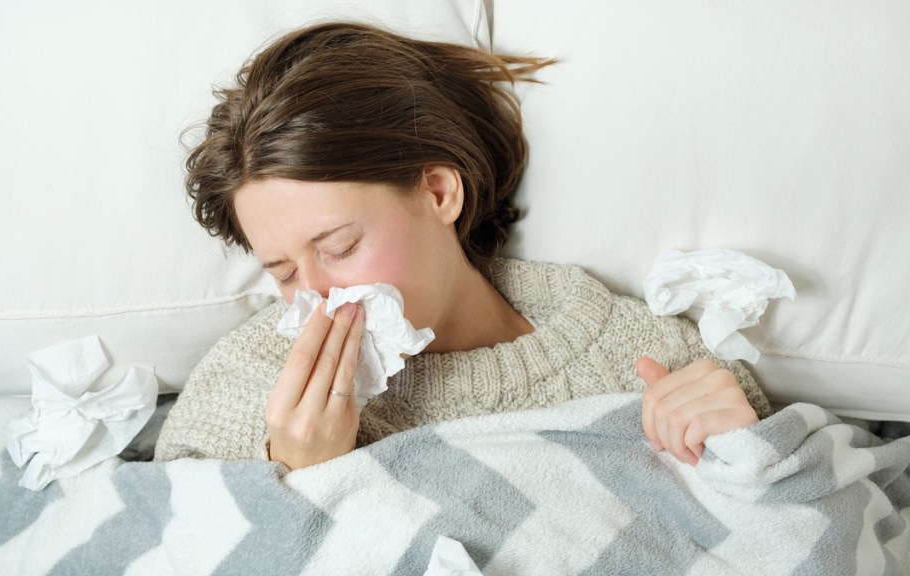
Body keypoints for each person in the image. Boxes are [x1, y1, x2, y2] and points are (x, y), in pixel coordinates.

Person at [154, 21, 772, 471]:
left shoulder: (644, 357)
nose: (316, 296)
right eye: (284, 271)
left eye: (339, 246)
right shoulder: (244, 383)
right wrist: (293, 465)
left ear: (438, 192)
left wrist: (747, 445)